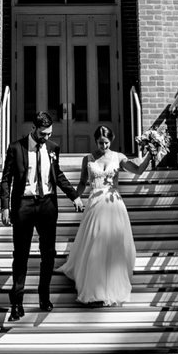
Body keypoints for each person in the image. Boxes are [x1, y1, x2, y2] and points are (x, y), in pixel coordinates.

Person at [0, 110, 81, 321]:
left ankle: (44, 296)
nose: (47, 138)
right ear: (33, 129)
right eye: (43, 134)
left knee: (48, 254)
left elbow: (58, 175)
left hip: (47, 206)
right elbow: (6, 179)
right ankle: (16, 303)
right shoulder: (16, 148)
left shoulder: (53, 148)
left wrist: (74, 196)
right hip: (23, 206)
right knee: (21, 255)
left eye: (49, 134)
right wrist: (5, 207)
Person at [60, 124, 154, 306]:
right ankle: (94, 286)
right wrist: (75, 197)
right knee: (95, 243)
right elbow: (82, 182)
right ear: (96, 141)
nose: (104, 146)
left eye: (106, 142)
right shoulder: (87, 158)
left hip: (113, 204)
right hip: (95, 202)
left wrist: (150, 153)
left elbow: (138, 170)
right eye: (100, 143)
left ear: (111, 140)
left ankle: (112, 286)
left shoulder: (118, 157)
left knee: (113, 244)